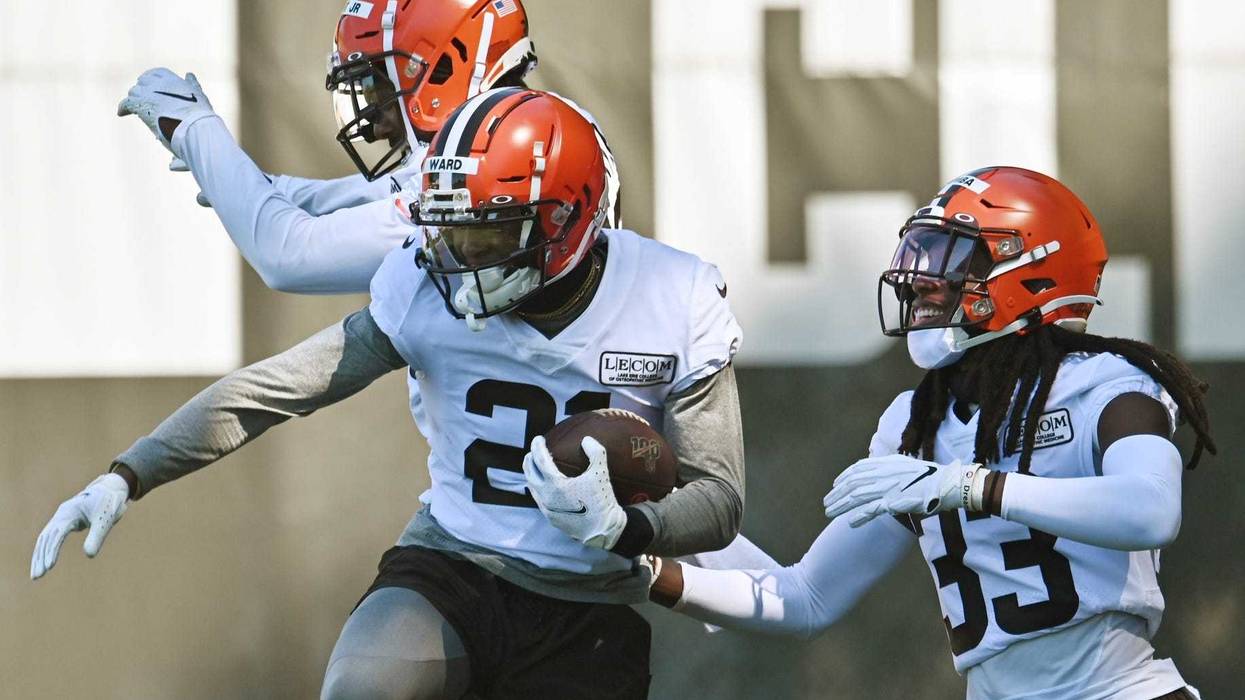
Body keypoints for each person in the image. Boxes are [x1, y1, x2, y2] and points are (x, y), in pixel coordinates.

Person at [33, 89, 745, 700]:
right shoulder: (425, 288)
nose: (458, 257)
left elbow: (717, 499)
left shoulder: (671, 297)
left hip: (586, 606)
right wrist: (130, 472)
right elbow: (277, 389)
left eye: (486, 234)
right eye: (452, 229)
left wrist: (628, 529)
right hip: (453, 564)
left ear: (564, 222)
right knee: (362, 688)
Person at [641, 167, 1215, 700]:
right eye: (920, 256)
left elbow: (1151, 510)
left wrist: (971, 486)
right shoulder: (917, 423)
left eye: (950, 260)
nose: (920, 282)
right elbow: (804, 599)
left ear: (1033, 270)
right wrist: (644, 548)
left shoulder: (1109, 383)